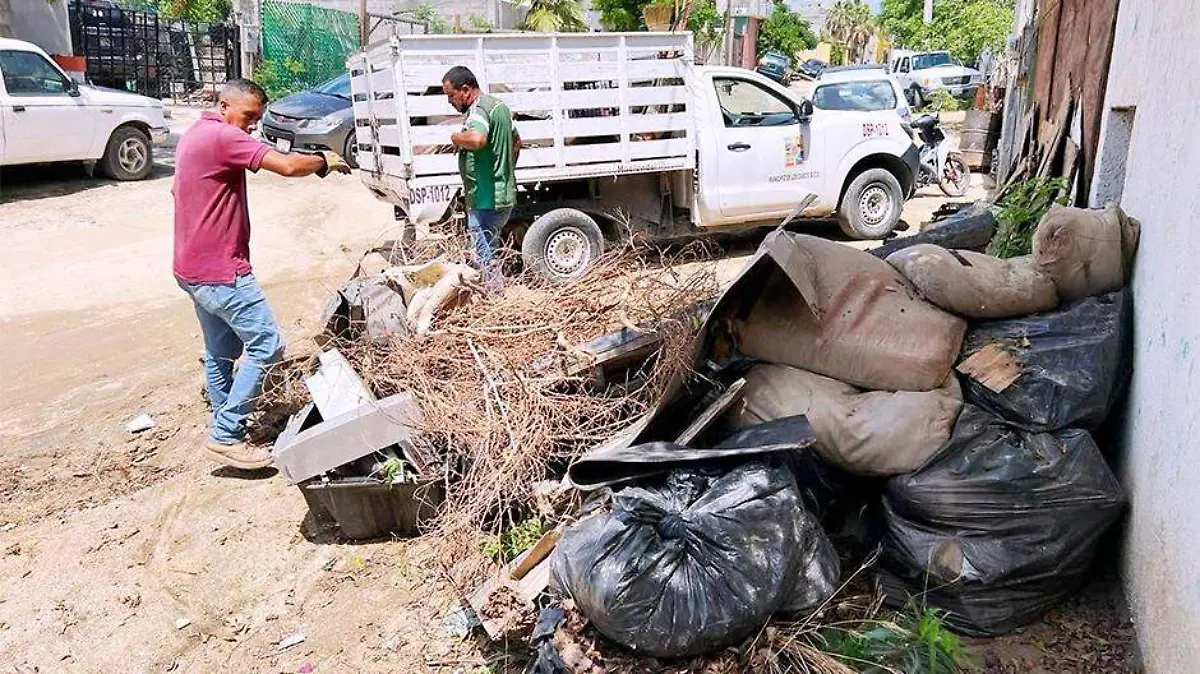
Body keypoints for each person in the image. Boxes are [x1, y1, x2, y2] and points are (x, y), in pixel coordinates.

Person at [173, 78, 351, 470]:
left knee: (221, 352)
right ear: (224, 106)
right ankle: (226, 435)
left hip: (191, 267)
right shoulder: (223, 136)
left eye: (256, 119)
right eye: (248, 116)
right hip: (222, 270)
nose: (252, 126)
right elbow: (286, 165)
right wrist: (324, 161)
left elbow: (177, 192)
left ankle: (225, 423)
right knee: (267, 346)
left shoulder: (194, 135)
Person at [442, 66, 521, 292]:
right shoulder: (500, 107)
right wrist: (504, 172)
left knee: (484, 252)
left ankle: (494, 299)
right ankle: (486, 293)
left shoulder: (478, 111)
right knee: (487, 248)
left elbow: (477, 140)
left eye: (451, 96)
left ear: (465, 90)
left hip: (486, 198)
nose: (450, 102)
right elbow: (517, 143)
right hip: (502, 194)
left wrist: (456, 138)